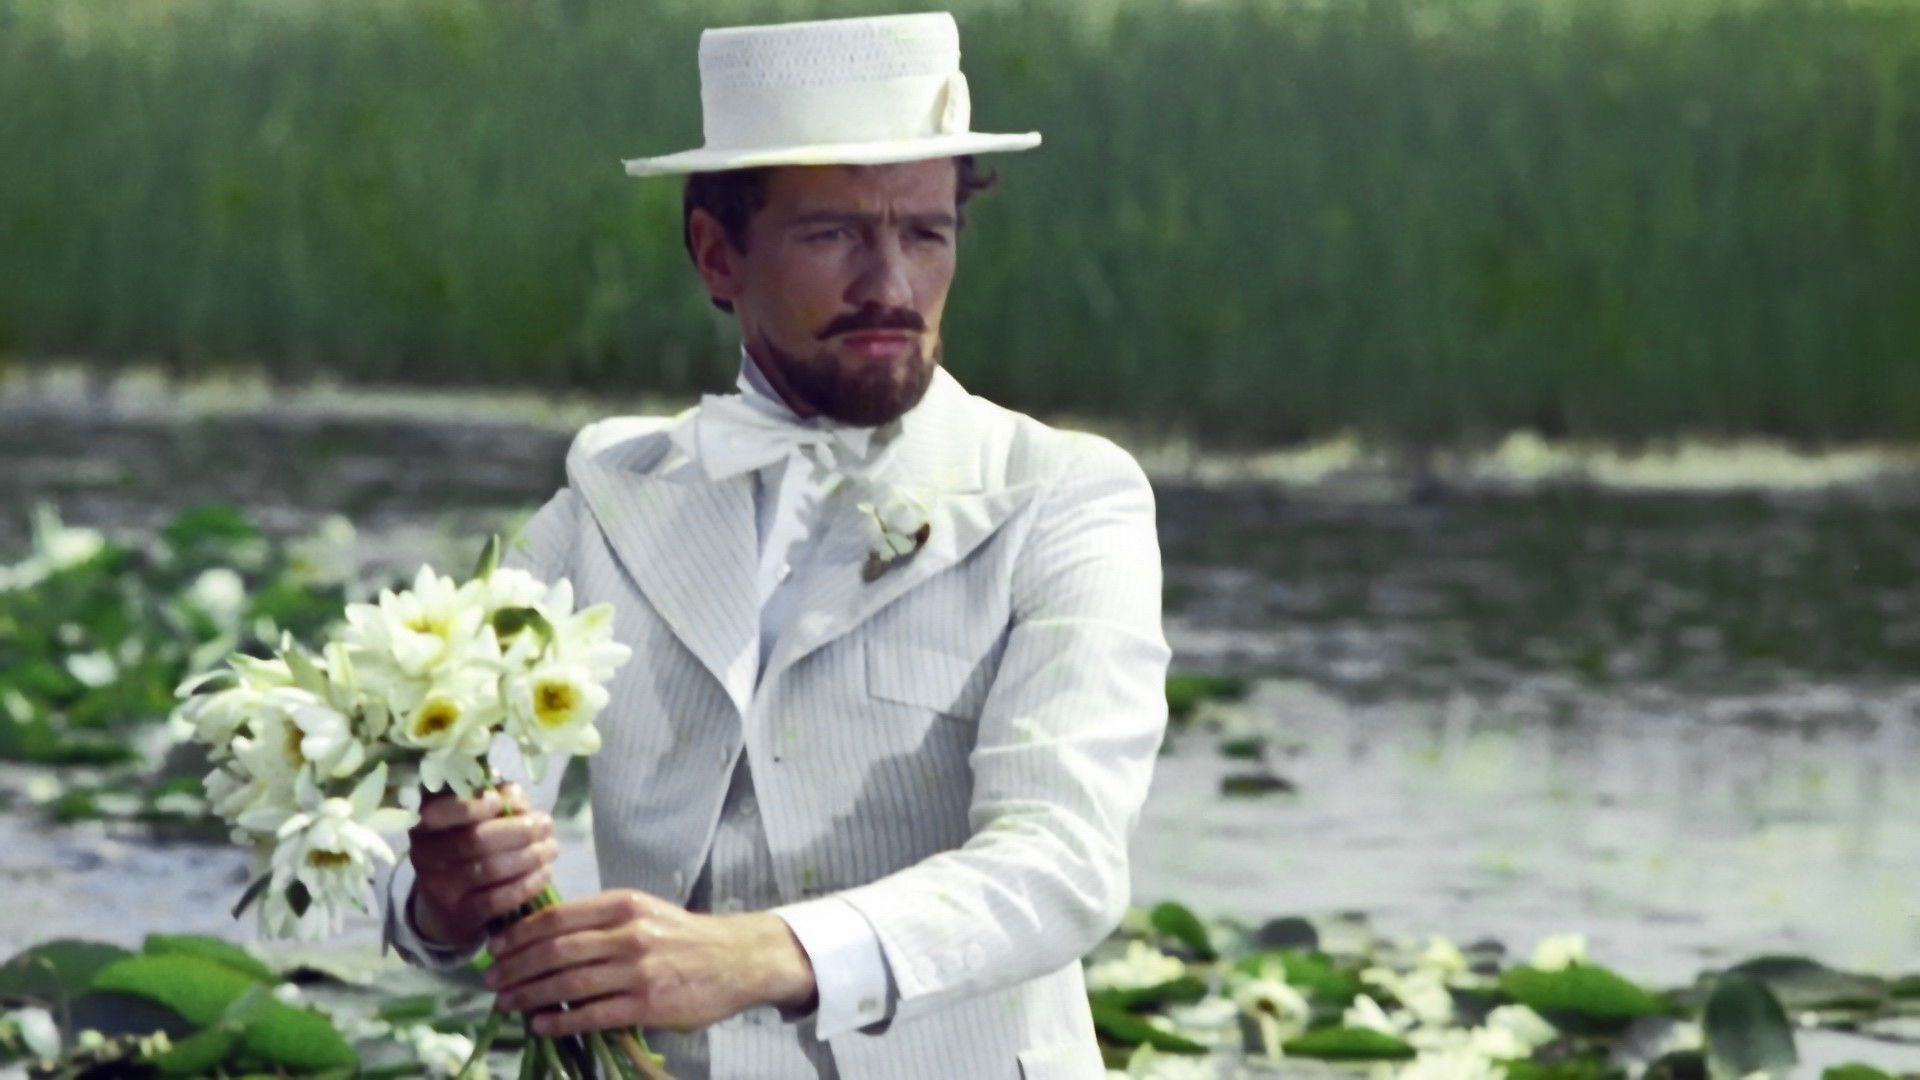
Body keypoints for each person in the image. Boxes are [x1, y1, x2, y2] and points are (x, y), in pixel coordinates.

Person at [381, 12, 1171, 1079]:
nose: (890, 286)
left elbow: (1063, 864)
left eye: (925, 233)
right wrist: (443, 890)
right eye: (834, 235)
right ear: (719, 255)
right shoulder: (607, 500)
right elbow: (419, 832)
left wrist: (760, 955)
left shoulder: (1068, 499)